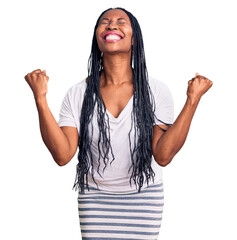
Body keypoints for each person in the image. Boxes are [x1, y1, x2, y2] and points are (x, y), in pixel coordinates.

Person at [25, 7, 213, 240]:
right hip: (95, 197)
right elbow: (62, 155)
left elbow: (163, 156)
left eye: (120, 22)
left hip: (144, 196)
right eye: (104, 22)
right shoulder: (78, 93)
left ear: (134, 39)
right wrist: (40, 99)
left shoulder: (156, 91)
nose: (111, 25)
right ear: (97, 37)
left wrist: (192, 101)